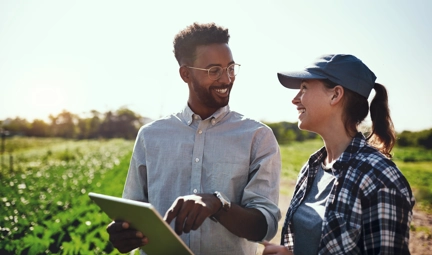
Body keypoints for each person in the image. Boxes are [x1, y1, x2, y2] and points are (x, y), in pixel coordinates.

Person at [106, 22, 281, 255]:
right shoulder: (150, 136)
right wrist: (124, 234)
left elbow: (264, 227)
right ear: (185, 74)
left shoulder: (258, 137)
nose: (227, 79)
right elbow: (134, 213)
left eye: (230, 68)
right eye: (214, 70)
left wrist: (218, 205)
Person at [262, 54, 415, 254]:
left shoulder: (380, 178)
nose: (295, 99)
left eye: (304, 88)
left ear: (335, 95)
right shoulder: (312, 167)